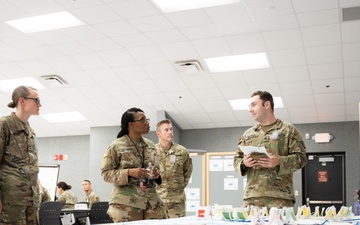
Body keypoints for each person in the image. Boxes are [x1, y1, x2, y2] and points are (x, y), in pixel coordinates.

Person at [233, 90, 307, 209]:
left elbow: (301, 158)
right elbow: (237, 159)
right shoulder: (248, 134)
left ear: (267, 105)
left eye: (253, 105)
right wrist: (244, 163)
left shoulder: (288, 130)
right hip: (252, 198)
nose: (250, 110)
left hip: (280, 198)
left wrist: (278, 161)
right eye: (249, 106)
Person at [101, 107, 168, 222]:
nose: (147, 123)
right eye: (142, 120)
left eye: (147, 119)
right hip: (126, 203)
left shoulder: (150, 145)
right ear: (131, 125)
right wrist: (129, 172)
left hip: (151, 201)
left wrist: (156, 175)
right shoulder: (117, 146)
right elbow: (106, 174)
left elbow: (158, 171)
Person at [0, 85, 42, 225]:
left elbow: (32, 164)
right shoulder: (4, 125)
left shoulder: (30, 131)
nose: (40, 104)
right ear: (22, 101)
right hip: (10, 200)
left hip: (31, 199)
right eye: (36, 100)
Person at [155, 119, 193, 218]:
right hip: (157, 200)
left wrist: (178, 187)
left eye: (171, 129)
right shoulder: (151, 151)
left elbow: (188, 171)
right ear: (159, 134)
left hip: (177, 202)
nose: (170, 132)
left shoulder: (182, 151)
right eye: (166, 130)